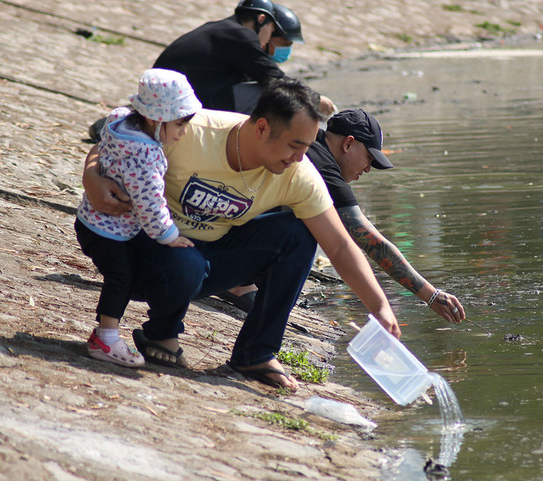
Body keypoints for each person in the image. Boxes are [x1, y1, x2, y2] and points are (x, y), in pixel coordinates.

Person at [82, 78, 461, 391]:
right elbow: (113, 138)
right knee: (186, 263)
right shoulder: (193, 130)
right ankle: (162, 333)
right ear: (262, 127)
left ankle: (256, 354)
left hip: (207, 256)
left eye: (307, 146)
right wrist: (92, 174)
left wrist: (379, 307)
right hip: (147, 252)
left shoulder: (299, 174)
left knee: (298, 235)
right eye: (295, 145)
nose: (300, 157)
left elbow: (342, 244)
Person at [222, 109, 467, 324]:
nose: (368, 168)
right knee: (309, 230)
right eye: (369, 158)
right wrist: (431, 295)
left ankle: (245, 279)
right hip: (227, 241)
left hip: (222, 224)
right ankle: (239, 284)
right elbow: (371, 241)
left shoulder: (312, 142)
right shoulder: (324, 168)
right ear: (348, 144)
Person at [75, 69, 201, 368]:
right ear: (158, 120)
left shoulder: (119, 120)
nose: (184, 132)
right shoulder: (146, 156)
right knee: (121, 278)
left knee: (123, 275)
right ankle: (105, 338)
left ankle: (105, 333)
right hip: (109, 230)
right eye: (180, 124)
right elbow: (150, 204)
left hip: (91, 219)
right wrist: (169, 235)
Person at [152, 0, 336, 116]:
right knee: (274, 95)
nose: (267, 38)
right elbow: (273, 78)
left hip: (174, 96)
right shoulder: (241, 35)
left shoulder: (225, 30)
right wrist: (314, 98)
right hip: (179, 102)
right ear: (262, 20)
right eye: (271, 31)